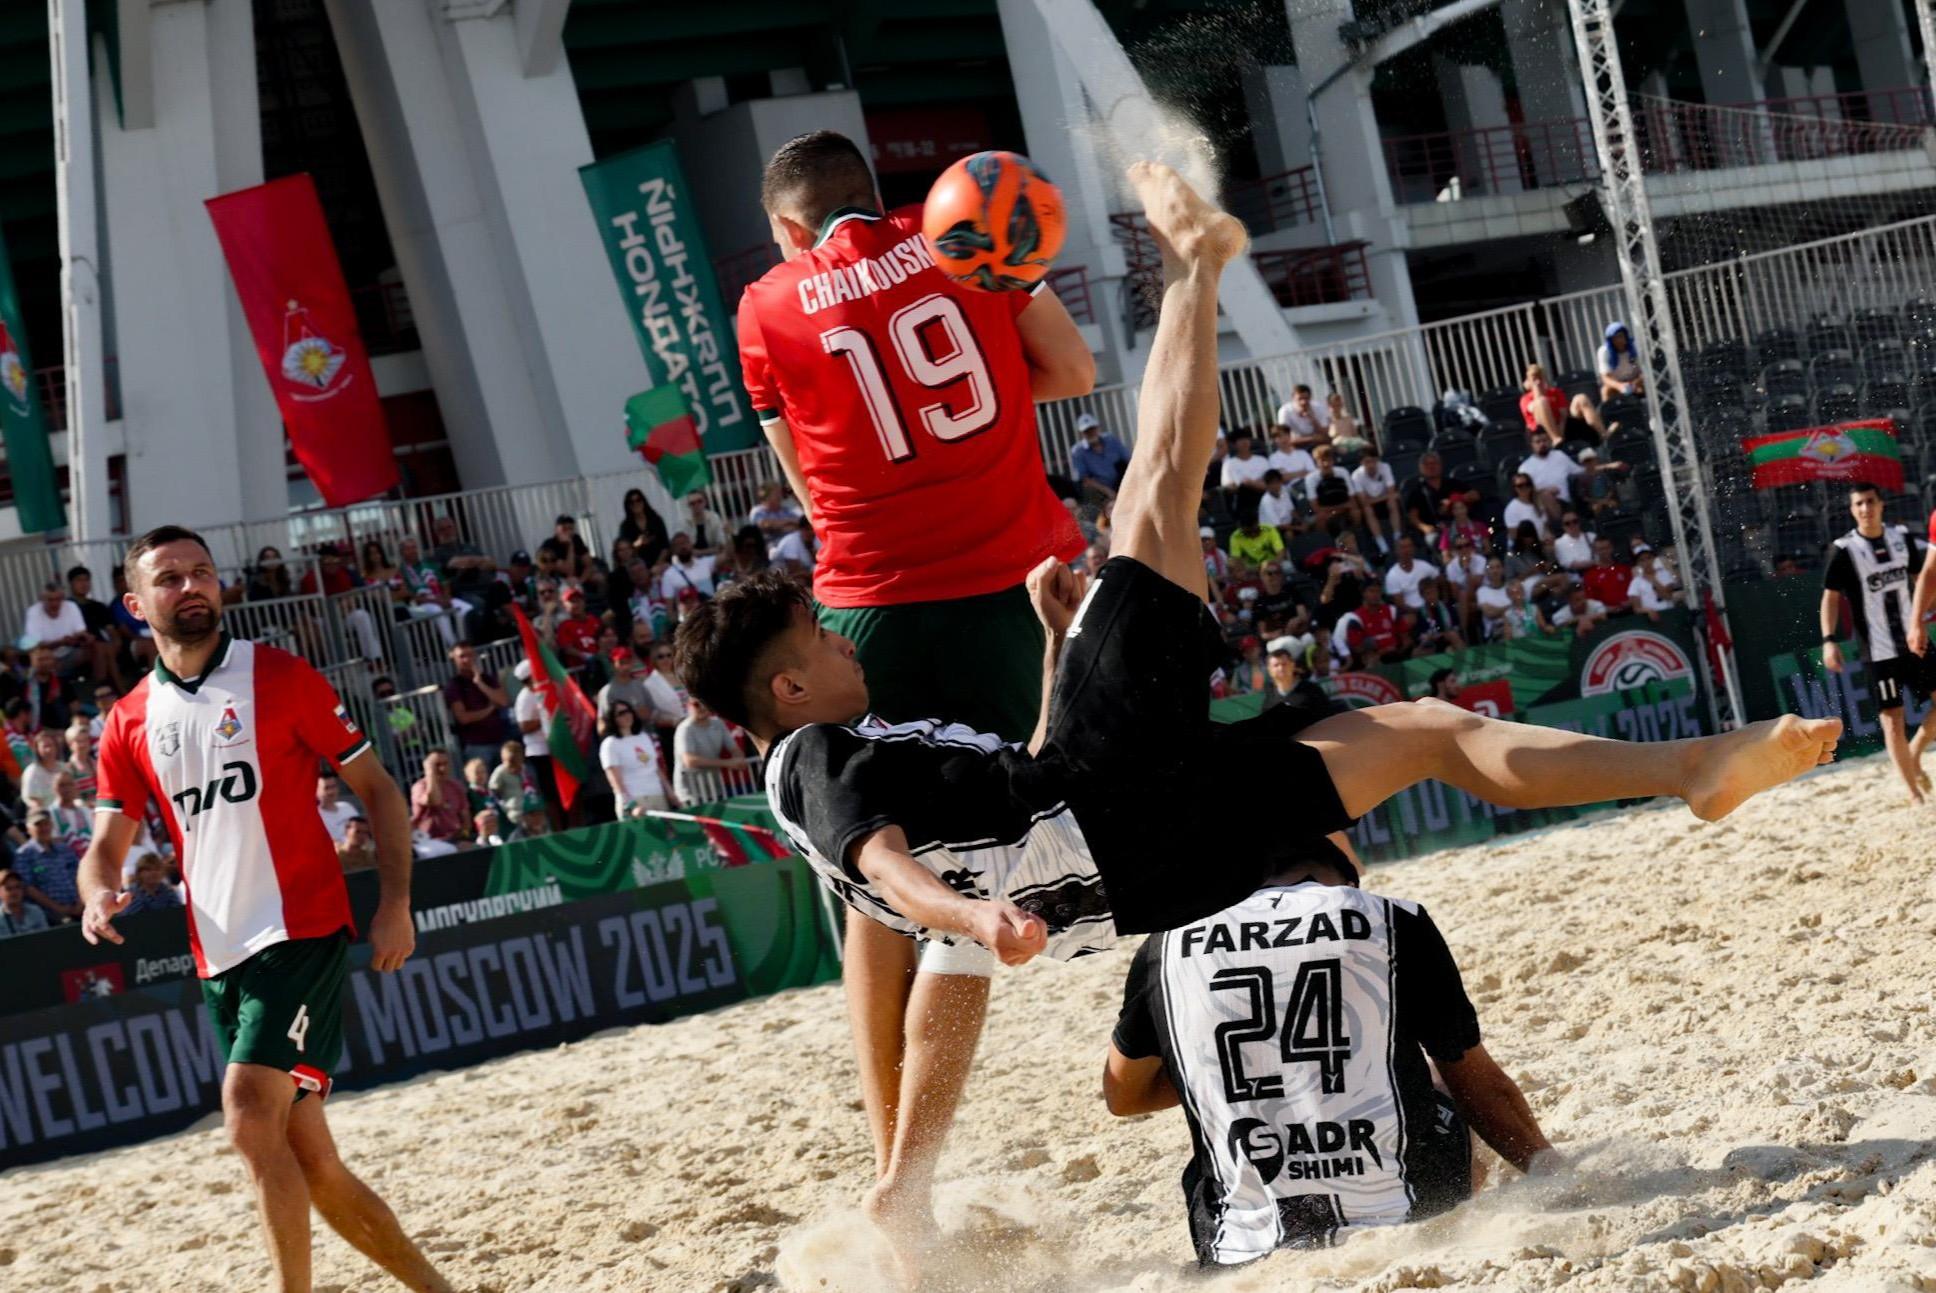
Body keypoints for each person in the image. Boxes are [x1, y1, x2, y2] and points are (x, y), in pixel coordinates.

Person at [675, 172, 1838, 1292]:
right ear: (788, 690)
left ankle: (1689, 768)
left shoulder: (861, 748)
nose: (843, 646)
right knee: (1152, 491)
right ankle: (1195, 266)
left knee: (1423, 729)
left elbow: (982, 823)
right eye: (819, 641)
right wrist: (974, 917)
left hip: (1131, 870)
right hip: (1100, 807)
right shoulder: (814, 761)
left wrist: (1055, 649)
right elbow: (888, 863)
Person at [736, 128, 1097, 1240]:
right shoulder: (960, 237)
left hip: (872, 604)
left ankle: (899, 1171)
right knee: (1027, 840)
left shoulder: (766, 305)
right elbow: (1074, 374)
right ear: (877, 192)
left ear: (788, 227)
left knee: (879, 890)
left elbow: (806, 484)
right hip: (1016, 580)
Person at [74, 525, 449, 1293]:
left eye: (202, 571)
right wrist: (95, 894)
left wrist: (396, 902)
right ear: (134, 604)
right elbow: (104, 848)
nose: (191, 586)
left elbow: (380, 789)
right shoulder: (129, 719)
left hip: (299, 926)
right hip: (219, 952)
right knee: (313, 1159)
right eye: (169, 577)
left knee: (246, 1113)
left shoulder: (278, 675)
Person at [1103, 846, 1554, 1266]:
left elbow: (1124, 1098)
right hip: (1409, 1217)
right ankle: (1445, 1219)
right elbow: (1480, 1086)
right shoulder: (1389, 917)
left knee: (1213, 1143)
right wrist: (1553, 1174)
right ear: (1342, 880)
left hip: (1241, 1248)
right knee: (1438, 1077)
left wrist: (1244, 1063)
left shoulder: (1164, 946)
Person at [1822, 482, 1933, 803]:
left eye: (1870, 501)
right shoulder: (1844, 550)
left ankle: (1915, 752)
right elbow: (1830, 598)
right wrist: (1829, 640)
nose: (1865, 508)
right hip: (1878, 650)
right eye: (1859, 504)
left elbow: (1923, 579)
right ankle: (1913, 793)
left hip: (1914, 639)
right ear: (1852, 510)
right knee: (1892, 720)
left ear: (1881, 504)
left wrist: (1925, 612)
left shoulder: (1901, 538)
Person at [442, 641, 514, 767]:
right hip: (477, 745)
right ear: (454, 659)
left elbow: (503, 701)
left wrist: (480, 683)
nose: (467, 660)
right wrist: (490, 708)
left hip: (500, 740)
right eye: (462, 656)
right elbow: (463, 718)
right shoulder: (454, 685)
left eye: (470, 655)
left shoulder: (487, 678)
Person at [512, 661, 563, 832]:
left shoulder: (547, 690)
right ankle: (557, 829)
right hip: (539, 752)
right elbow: (524, 726)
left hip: (557, 747)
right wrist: (545, 716)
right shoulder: (524, 699)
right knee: (550, 794)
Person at [25, 578, 107, 681]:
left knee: (98, 646)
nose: (55, 604)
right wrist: (60, 642)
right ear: (42, 600)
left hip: (70, 653)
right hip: (48, 656)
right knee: (37, 655)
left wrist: (85, 638)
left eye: (58, 599)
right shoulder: (33, 612)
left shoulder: (71, 606)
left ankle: (100, 684)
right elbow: (34, 645)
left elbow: (81, 632)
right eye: (50, 600)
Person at [673, 696, 748, 806]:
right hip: (691, 791)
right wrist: (728, 763)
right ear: (688, 706)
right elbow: (690, 761)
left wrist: (739, 758)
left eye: (704, 703)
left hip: (714, 788)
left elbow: (734, 749)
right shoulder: (685, 729)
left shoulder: (718, 723)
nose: (702, 707)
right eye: (696, 704)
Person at [599, 701, 670, 816]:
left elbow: (655, 768)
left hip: (657, 794)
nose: (627, 715)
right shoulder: (610, 744)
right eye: (621, 713)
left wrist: (670, 792)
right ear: (612, 719)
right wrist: (631, 804)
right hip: (636, 801)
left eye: (629, 711)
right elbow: (615, 780)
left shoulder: (644, 737)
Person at [1520, 362, 1611, 445]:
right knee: (1541, 402)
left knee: (1581, 398)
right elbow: (1534, 409)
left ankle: (1604, 435)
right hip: (1541, 433)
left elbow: (1563, 415)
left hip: (1562, 427)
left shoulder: (1555, 392)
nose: (1538, 381)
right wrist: (1537, 389)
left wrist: (1561, 433)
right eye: (1534, 379)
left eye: (1540, 378)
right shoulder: (1525, 399)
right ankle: (1555, 439)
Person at [16, 808, 82, 923]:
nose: (44, 828)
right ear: (28, 829)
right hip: (49, 917)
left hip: (80, 909)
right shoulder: (24, 855)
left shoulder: (65, 849)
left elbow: (80, 875)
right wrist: (59, 909)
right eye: (38, 824)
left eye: (46, 823)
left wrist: (80, 902)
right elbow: (28, 888)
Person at [1518, 431, 1582, 523]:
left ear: (1549, 441)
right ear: (1531, 445)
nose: (1542, 444)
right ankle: (1560, 525)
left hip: (1566, 503)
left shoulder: (1559, 455)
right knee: (1546, 495)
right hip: (1541, 508)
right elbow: (1525, 494)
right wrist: (1545, 491)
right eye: (1538, 442)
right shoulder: (1525, 468)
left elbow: (1579, 472)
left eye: (1544, 440)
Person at [411, 751, 471, 847]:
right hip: (428, 841)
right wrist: (430, 774)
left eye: (445, 764)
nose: (442, 768)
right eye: (437, 765)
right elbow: (434, 800)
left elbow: (465, 818)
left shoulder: (456, 786)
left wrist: (464, 835)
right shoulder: (420, 787)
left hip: (454, 839)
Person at [489, 739, 548, 839]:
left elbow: (535, 787)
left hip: (531, 807)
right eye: (509, 763)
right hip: (514, 811)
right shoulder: (500, 772)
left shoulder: (527, 770)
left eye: (515, 763)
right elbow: (493, 791)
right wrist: (503, 805)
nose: (513, 767)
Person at [1071, 413, 1131, 500]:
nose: (1091, 433)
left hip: (1121, 483)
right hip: (1099, 490)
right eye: (1086, 431)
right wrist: (1107, 491)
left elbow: (1128, 460)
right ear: (1081, 433)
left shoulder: (1111, 439)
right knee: (1088, 489)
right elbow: (1085, 479)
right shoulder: (1077, 451)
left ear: (1098, 428)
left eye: (1092, 429)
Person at [1349, 445, 1402, 545]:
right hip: (1371, 505)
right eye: (1367, 462)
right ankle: (1381, 543)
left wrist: (1388, 497)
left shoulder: (1385, 467)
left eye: (1373, 461)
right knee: (1367, 509)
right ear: (1361, 463)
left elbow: (1391, 491)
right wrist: (1387, 496)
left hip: (1384, 501)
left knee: (1392, 503)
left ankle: (1397, 536)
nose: (1371, 465)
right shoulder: (1356, 476)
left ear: (1377, 460)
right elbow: (1364, 502)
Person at [1381, 536, 1440, 613]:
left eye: (1409, 546)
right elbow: (1400, 604)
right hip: (1412, 613)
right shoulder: (1392, 575)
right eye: (1403, 547)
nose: (1407, 550)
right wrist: (1421, 612)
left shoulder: (1424, 565)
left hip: (1432, 607)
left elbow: (1439, 580)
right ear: (1396, 550)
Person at [617, 487, 671, 568]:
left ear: (644, 501)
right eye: (631, 502)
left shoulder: (656, 520)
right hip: (639, 568)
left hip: (661, 563)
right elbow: (626, 550)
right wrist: (639, 543)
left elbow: (665, 545)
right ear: (628, 506)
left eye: (638, 500)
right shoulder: (626, 526)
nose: (635, 504)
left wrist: (657, 565)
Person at [1627, 546, 1681, 620]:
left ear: (1653, 558)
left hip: (1669, 613)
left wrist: (1653, 580)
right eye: (1642, 560)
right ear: (1638, 563)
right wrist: (1648, 610)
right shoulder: (1636, 582)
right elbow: (1636, 608)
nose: (1646, 562)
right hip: (1650, 618)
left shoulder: (1664, 574)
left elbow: (1668, 596)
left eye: (1649, 558)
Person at [122, 851, 184, 916]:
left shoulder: (168, 892)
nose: (153, 872)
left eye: (157, 869)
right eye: (148, 869)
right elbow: (131, 916)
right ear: (139, 873)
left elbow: (178, 913)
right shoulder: (131, 895)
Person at [1581, 537, 1634, 611]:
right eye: (1601, 549)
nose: (1605, 551)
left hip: (1630, 610)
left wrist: (1631, 601)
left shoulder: (1624, 569)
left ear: (1612, 548)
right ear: (1595, 551)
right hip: (1606, 614)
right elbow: (1590, 600)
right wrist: (1605, 608)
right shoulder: (1589, 575)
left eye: (1607, 548)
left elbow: (1634, 590)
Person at [538, 514, 592, 583]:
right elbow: (569, 571)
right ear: (556, 529)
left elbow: (589, 565)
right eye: (564, 529)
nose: (568, 532)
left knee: (598, 578)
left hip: (577, 577)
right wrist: (570, 545)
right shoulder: (550, 544)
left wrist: (580, 581)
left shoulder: (576, 539)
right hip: (556, 579)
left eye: (571, 529)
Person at [1598, 321, 1644, 400]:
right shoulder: (1604, 352)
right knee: (1605, 391)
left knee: (1647, 385)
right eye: (1615, 338)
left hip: (1636, 380)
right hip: (1616, 383)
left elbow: (1645, 372)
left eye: (1620, 336)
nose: (1619, 340)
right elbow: (1605, 377)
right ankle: (1609, 408)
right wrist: (1620, 386)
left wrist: (1635, 383)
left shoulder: (1635, 346)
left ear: (1625, 336)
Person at [1275, 384, 1330, 449]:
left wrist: (1313, 419)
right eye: (1300, 399)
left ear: (1310, 397)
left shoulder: (1318, 407)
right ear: (1293, 398)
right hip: (1297, 445)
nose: (1303, 402)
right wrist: (1311, 438)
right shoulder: (1285, 411)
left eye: (1306, 398)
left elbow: (1325, 433)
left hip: (1317, 443)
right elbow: (1284, 438)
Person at [0, 867, 50, 937]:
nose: (14, 892)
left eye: (17, 887)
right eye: (8, 889)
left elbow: (47, 938)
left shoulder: (36, 911)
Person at [1220, 431, 1271, 496]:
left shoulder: (1262, 460)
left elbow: (1271, 483)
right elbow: (1228, 486)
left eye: (1246, 439)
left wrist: (1252, 483)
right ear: (1234, 445)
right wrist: (1243, 484)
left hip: (1264, 495)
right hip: (1241, 497)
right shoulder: (1228, 464)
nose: (1244, 442)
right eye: (1240, 440)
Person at [314, 774, 358, 843]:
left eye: (333, 787)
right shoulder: (314, 816)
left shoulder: (347, 807)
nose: (331, 792)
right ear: (316, 791)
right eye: (326, 788)